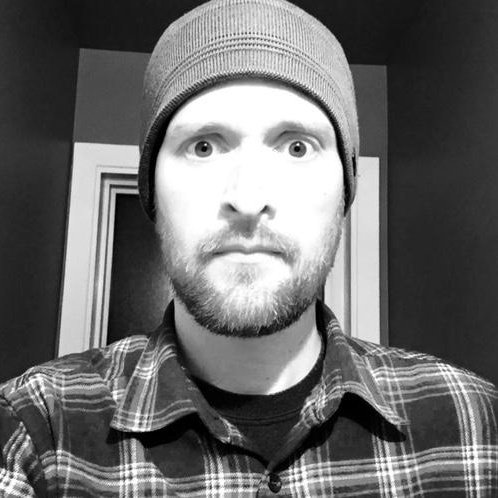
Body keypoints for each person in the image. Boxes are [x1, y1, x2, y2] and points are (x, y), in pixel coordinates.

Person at [1, 0, 497, 495]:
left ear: (346, 191)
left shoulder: (474, 424)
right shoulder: (37, 429)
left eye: (297, 147)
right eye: (203, 146)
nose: (247, 199)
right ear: (151, 190)